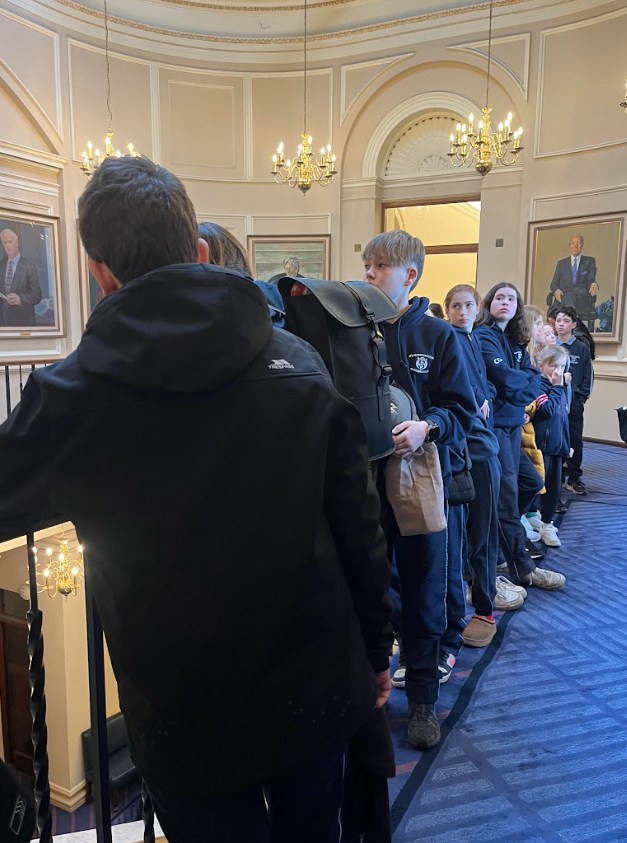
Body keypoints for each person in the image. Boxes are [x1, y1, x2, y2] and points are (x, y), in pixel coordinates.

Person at [0, 157, 394, 843]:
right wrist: (379, 647)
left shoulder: (65, 399)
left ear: (99, 273)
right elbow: (358, 525)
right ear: (202, 253)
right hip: (314, 680)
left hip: (181, 713)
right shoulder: (299, 364)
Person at [362, 231, 476, 750]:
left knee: (424, 589)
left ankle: (424, 701)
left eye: (380, 265)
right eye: (367, 264)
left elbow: (461, 410)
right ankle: (372, 690)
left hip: (420, 477)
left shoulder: (437, 333)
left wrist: (427, 426)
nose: (369, 273)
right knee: (370, 586)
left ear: (409, 275)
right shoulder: (353, 329)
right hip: (365, 481)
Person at [444, 284, 526, 647]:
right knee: (455, 536)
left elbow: (490, 383)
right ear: (448, 309)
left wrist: (483, 398)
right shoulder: (446, 339)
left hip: (482, 448)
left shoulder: (476, 340)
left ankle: (484, 609)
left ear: (477, 309)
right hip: (456, 449)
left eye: (468, 305)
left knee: (483, 533)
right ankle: (456, 607)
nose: (462, 312)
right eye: (456, 306)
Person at [475, 283, 566, 591]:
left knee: (530, 483)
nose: (505, 302)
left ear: (517, 307)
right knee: (506, 497)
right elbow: (504, 379)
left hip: (513, 425)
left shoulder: (515, 340)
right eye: (499, 297)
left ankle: (507, 548)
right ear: (489, 303)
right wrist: (521, 385)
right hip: (496, 428)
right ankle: (522, 566)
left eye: (511, 299)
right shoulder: (484, 336)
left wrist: (520, 387)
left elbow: (532, 380)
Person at [532, 344, 572, 547]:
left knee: (555, 489)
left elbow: (563, 419)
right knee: (538, 488)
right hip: (541, 448)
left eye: (562, 366)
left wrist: (566, 445)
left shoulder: (560, 388)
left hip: (557, 447)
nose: (558, 371)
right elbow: (547, 410)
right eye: (553, 366)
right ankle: (533, 520)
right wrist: (557, 387)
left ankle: (547, 524)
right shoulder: (538, 386)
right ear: (541, 366)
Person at [555, 305, 593, 495]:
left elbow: (588, 375)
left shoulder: (581, 348)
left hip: (575, 402)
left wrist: (582, 396)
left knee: (575, 439)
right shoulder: (551, 347)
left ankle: (574, 477)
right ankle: (557, 475)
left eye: (566, 321)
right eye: (558, 320)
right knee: (555, 437)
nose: (561, 324)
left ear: (574, 325)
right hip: (554, 402)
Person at [548, 234, 599, 319]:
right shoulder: (561, 264)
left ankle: (567, 317)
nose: (575, 246)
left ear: (582, 245)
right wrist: (556, 290)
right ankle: (572, 318)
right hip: (563, 298)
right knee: (568, 295)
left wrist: (594, 283)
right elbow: (554, 284)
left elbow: (590, 280)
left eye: (578, 243)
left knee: (568, 295)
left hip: (581, 299)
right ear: (570, 246)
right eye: (573, 243)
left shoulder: (589, 261)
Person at [0, 228, 42, 327]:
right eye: (5, 243)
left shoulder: (29, 266)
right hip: (3, 324)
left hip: (23, 322)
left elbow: (37, 295)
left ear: (17, 243)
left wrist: (20, 299)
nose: (7, 245)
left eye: (10, 242)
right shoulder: (1, 265)